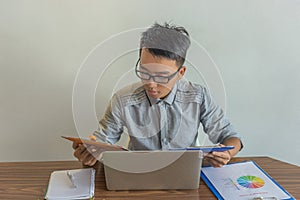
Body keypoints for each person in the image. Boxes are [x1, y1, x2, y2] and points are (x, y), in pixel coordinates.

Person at [73, 22, 243, 168]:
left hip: (186, 174)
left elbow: (231, 138)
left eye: (161, 76)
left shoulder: (198, 96)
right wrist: (90, 153)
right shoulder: (122, 100)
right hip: (137, 175)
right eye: (144, 72)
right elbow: (102, 141)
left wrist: (226, 154)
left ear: (181, 72)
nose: (150, 84)